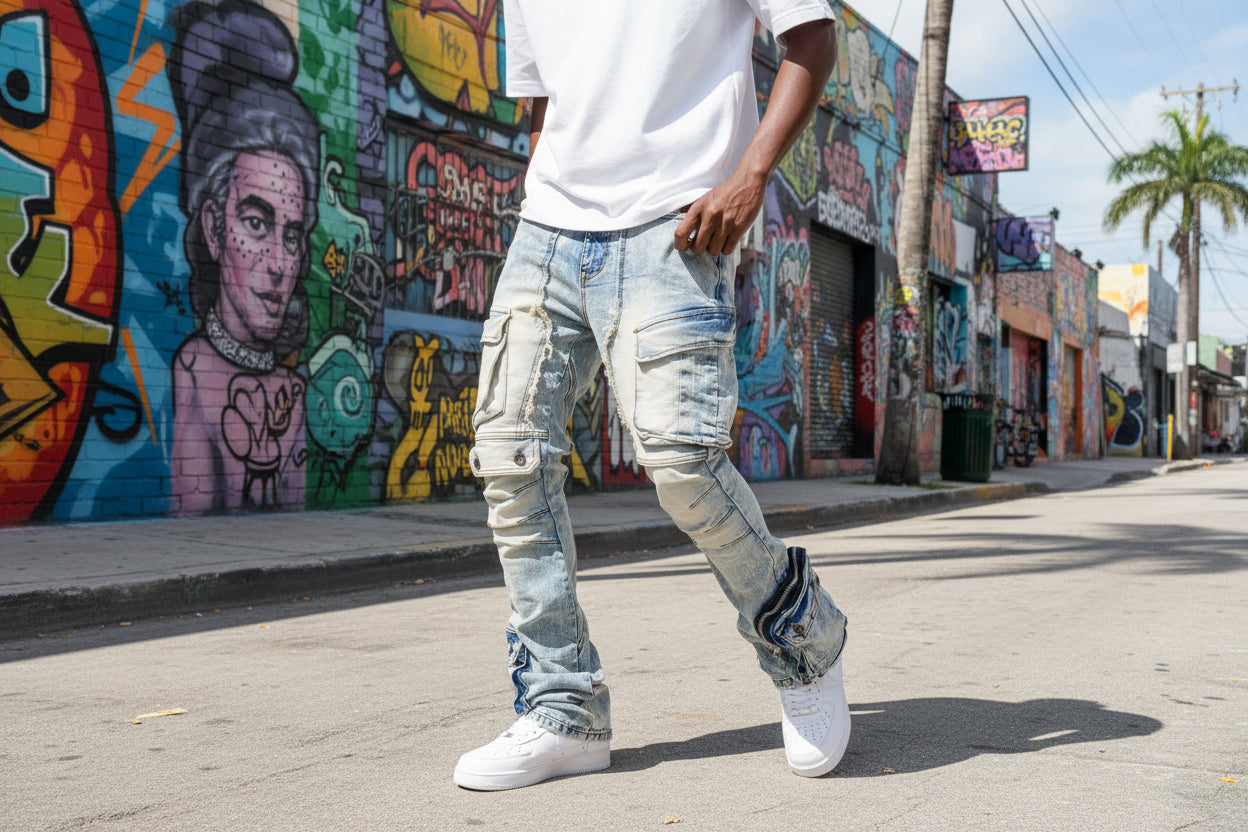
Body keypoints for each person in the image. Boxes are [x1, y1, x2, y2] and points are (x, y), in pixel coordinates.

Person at [454, 0, 848, 790]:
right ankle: (561, 711)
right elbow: (545, 100)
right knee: (509, 454)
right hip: (550, 229)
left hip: (679, 223)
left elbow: (812, 38)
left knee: (682, 463)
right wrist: (546, 206)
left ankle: (804, 643)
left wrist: (749, 177)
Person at [168, 0, 320, 514]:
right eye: (257, 223)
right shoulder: (191, 368)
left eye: (294, 235)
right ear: (213, 227)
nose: (280, 264)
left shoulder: (293, 392)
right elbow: (192, 524)